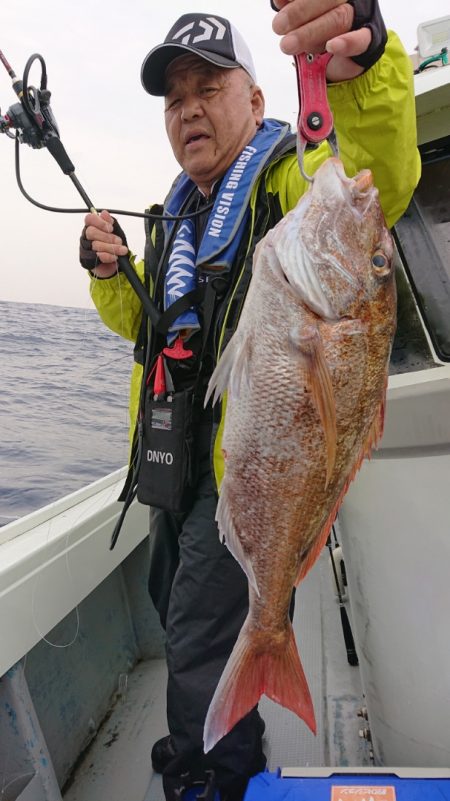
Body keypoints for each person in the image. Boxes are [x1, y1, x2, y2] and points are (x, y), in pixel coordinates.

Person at [80, 3, 420, 799]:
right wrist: (108, 278)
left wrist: (365, 67)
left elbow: (378, 177)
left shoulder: (293, 179)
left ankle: (211, 778)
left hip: (253, 462)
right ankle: (234, 727)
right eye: (174, 98)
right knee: (177, 610)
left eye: (208, 86)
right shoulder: (177, 214)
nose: (189, 108)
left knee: (200, 638)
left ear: (258, 101)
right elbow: (151, 327)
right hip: (173, 461)